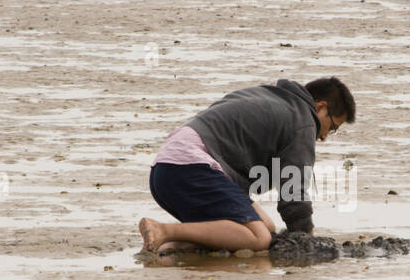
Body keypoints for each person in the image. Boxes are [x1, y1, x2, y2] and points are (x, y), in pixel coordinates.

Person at [139, 76, 355, 254]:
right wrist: (306, 240)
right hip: (191, 167)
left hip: (164, 171)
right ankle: (163, 231)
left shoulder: (271, 96)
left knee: (266, 228)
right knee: (259, 238)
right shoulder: (303, 121)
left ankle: (168, 247)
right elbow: (293, 190)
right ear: (321, 107)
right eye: (333, 126)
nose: (325, 136)